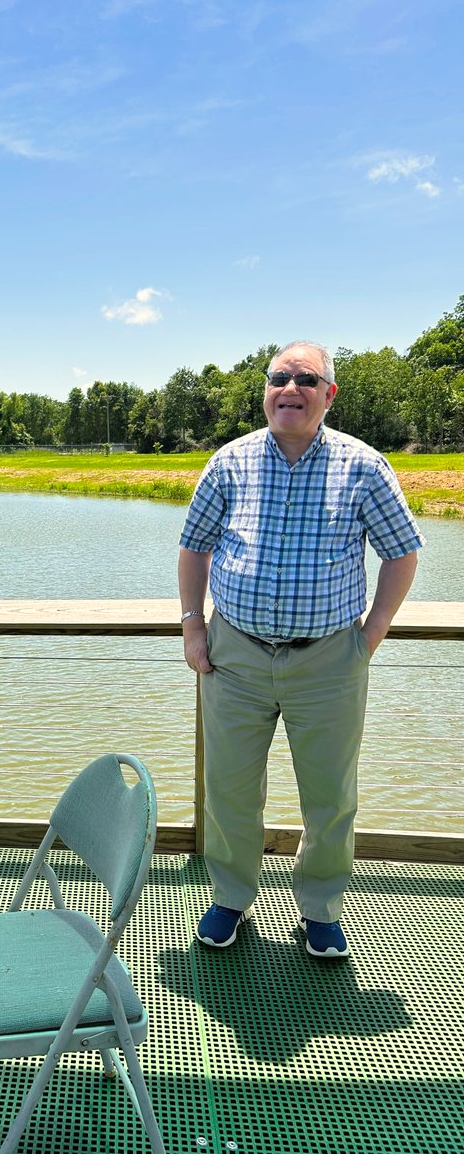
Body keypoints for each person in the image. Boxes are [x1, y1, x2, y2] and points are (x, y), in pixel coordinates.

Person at [178, 341, 422, 958]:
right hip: (235, 654)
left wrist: (372, 634)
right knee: (231, 787)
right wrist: (192, 624)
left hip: (330, 658)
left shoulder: (364, 466)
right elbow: (193, 547)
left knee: (331, 793)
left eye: (306, 380)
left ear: (328, 395)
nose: (290, 388)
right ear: (265, 390)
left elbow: (402, 553)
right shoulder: (229, 463)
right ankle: (231, 898)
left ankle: (320, 908)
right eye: (279, 378)